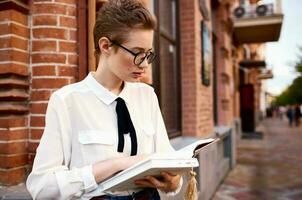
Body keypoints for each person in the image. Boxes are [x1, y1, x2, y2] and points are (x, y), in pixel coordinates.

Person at [26, 0, 182, 199]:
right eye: (137, 53)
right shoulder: (66, 101)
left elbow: (169, 164)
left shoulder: (147, 95)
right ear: (106, 45)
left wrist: (173, 181)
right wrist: (115, 165)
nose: (144, 65)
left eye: (148, 54)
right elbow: (41, 187)